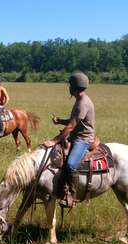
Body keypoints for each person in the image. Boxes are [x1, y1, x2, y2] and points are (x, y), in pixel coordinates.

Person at [44, 72, 95, 208]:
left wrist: (54, 140)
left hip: (83, 138)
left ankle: (72, 195)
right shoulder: (79, 100)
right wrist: (61, 121)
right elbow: (74, 121)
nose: (69, 88)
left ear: (74, 87)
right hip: (75, 135)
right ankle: (60, 188)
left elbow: (72, 126)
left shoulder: (82, 103)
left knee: (71, 164)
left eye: (70, 86)